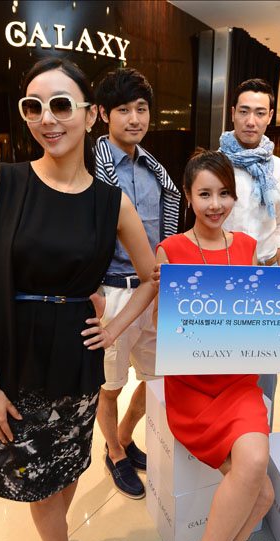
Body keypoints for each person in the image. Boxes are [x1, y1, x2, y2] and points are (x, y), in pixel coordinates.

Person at [0, 57, 157, 541]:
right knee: (31, 471)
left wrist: (114, 329)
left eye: (62, 105)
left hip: (76, 351)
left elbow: (152, 277)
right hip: (16, 352)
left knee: (66, 464)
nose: (48, 119)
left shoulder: (111, 202)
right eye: (34, 106)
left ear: (91, 115)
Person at [156, 149, 273, 541]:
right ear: (188, 196)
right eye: (205, 193)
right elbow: (166, 328)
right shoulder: (171, 250)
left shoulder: (246, 246)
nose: (216, 203)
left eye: (225, 193)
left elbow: (260, 315)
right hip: (191, 387)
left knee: (257, 474)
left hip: (238, 383)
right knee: (261, 494)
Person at [94, 68, 180, 498]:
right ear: (103, 114)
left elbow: (165, 232)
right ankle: (114, 452)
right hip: (111, 290)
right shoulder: (91, 167)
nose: (134, 119)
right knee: (108, 384)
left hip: (154, 289)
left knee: (155, 377)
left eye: (141, 109)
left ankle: (125, 437)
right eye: (123, 110)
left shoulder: (155, 170)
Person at [220, 78, 280, 422]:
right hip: (222, 275)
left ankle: (261, 437)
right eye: (245, 111)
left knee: (264, 368)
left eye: (260, 113)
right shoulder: (214, 163)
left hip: (266, 274)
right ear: (233, 113)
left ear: (270, 116)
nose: (251, 121)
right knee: (222, 364)